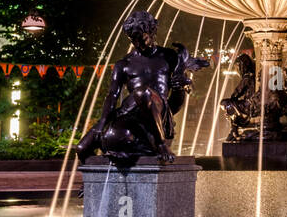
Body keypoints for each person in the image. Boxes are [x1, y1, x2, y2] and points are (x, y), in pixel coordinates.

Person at [77, 10, 208, 163]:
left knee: (142, 93)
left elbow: (183, 90)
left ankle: (160, 144)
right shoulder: (124, 64)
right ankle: (91, 185)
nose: (138, 44)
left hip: (158, 109)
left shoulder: (168, 57)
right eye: (133, 40)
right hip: (129, 112)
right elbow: (112, 95)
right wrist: (101, 123)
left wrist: (184, 85)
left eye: (142, 39)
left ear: (152, 32)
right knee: (81, 148)